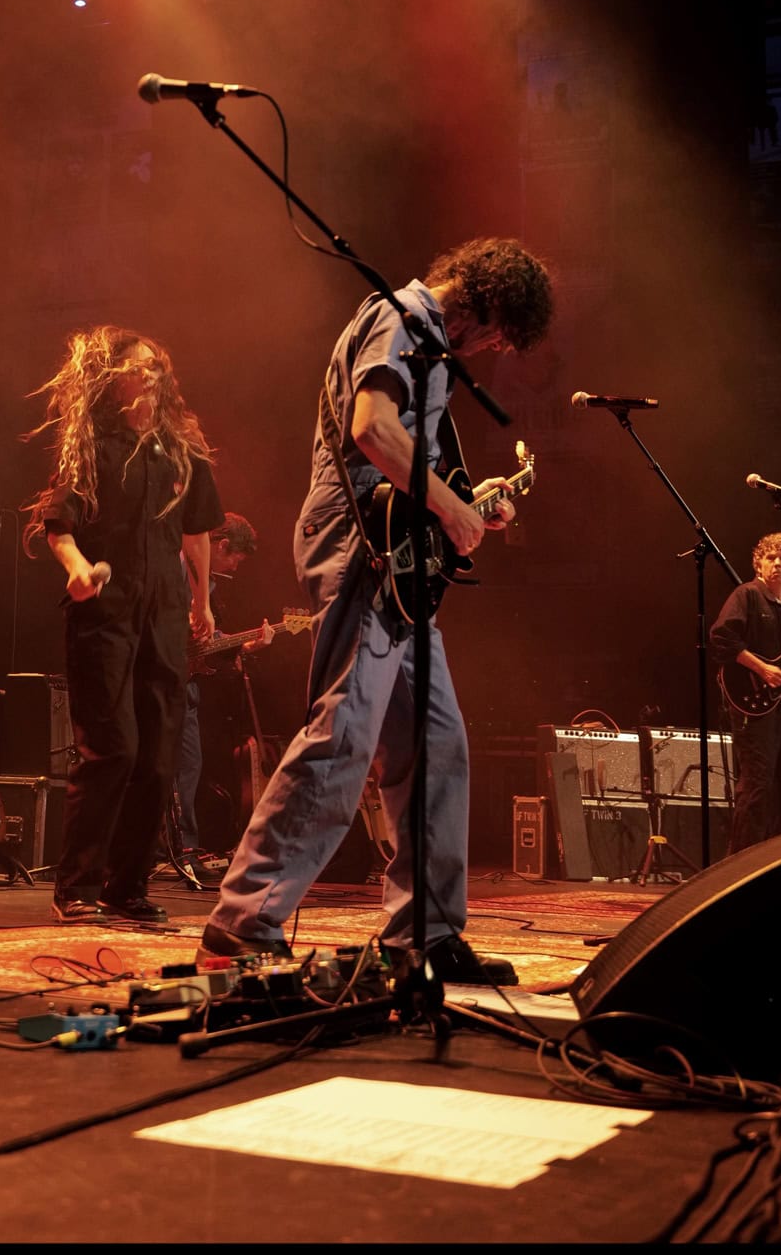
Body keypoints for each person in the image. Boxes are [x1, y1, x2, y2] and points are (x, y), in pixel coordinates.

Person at [196, 237, 554, 990]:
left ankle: (426, 934)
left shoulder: (427, 339)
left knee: (437, 745)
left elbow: (410, 463)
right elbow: (371, 430)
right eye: (498, 332)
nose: (493, 348)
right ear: (484, 298)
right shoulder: (403, 317)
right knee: (344, 736)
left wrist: (462, 502)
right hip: (359, 542)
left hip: (391, 550)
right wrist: (451, 507)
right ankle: (242, 923)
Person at [21, 324, 224, 923]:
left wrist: (203, 602)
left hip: (164, 612)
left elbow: (196, 531)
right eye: (139, 368)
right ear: (114, 383)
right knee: (113, 749)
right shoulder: (94, 448)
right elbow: (59, 527)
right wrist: (77, 569)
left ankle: (127, 887)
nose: (151, 376)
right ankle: (77, 888)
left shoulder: (181, 451)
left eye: (156, 367)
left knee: (159, 759)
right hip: (105, 614)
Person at [170, 512, 274, 887]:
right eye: (236, 559)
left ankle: (184, 851)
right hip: (158, 680)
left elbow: (203, 642)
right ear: (222, 545)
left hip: (186, 688)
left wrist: (244, 645)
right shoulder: (174, 568)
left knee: (188, 767)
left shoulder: (208, 585)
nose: (235, 568)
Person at [709, 532, 781, 854]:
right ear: (759, 565)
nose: (777, 563)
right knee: (757, 786)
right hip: (753, 706)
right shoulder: (747, 595)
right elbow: (722, 637)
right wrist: (763, 669)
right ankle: (740, 864)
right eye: (770, 558)